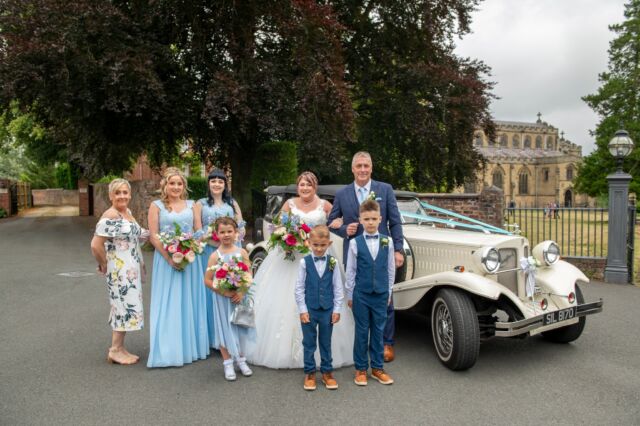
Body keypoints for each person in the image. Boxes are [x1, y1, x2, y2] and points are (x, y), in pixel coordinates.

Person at [245, 171, 355, 369]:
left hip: (319, 254)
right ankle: (285, 349)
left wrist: (339, 223)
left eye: (309, 185)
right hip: (292, 256)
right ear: (298, 187)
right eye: (302, 185)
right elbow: (278, 228)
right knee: (286, 298)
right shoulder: (289, 205)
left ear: (315, 187)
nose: (305, 188)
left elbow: (337, 223)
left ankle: (323, 352)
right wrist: (289, 238)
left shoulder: (325, 205)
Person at [327, 151, 403, 362]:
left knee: (385, 297)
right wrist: (344, 230)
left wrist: (397, 249)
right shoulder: (342, 194)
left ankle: (386, 344)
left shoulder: (384, 189)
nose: (362, 170)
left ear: (371, 168)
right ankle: (362, 341)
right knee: (358, 298)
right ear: (352, 169)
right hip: (355, 253)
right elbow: (331, 222)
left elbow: (395, 222)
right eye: (358, 166)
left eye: (366, 166)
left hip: (381, 251)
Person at [147, 167, 209, 367]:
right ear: (165, 185)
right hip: (166, 261)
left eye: (179, 183)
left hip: (191, 260)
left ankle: (191, 347)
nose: (175, 187)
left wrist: (195, 246)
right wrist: (170, 258)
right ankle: (168, 349)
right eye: (172, 183)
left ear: (184, 186)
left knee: (189, 301)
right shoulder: (156, 206)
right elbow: (153, 235)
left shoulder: (193, 205)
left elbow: (198, 231)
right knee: (170, 301)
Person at [91, 178, 148, 365]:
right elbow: (95, 244)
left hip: (130, 268)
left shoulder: (127, 212)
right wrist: (104, 264)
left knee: (123, 305)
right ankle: (115, 350)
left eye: (125, 192)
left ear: (130, 195)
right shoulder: (111, 215)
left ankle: (120, 347)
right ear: (110, 196)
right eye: (117, 193)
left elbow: (135, 235)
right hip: (120, 270)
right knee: (121, 306)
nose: (122, 196)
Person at [345, 200, 395, 386]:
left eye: (374, 218)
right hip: (361, 295)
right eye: (367, 219)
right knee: (361, 331)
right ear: (361, 220)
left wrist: (389, 292)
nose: (371, 222)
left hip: (381, 294)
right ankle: (360, 369)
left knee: (378, 331)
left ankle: (377, 368)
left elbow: (390, 270)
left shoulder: (387, 241)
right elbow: (351, 271)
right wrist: (350, 294)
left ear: (380, 219)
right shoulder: (355, 243)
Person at [195, 169, 245, 348]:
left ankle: (233, 336)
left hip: (231, 252)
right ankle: (213, 339)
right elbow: (198, 230)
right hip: (209, 254)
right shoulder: (200, 204)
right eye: (213, 180)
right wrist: (212, 239)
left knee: (231, 290)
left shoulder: (232, 203)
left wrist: (231, 240)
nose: (217, 184)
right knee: (211, 293)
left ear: (225, 185)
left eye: (220, 181)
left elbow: (241, 228)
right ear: (208, 184)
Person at [203, 217, 255, 381]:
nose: (226, 235)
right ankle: (227, 362)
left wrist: (242, 291)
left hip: (239, 297)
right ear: (217, 234)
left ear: (236, 233)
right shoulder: (214, 256)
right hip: (222, 299)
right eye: (222, 232)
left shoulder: (242, 252)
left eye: (229, 231)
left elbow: (248, 274)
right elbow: (207, 280)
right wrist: (222, 291)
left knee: (239, 327)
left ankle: (241, 360)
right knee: (224, 328)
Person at [295, 225, 343, 391]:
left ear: (329, 244)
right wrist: (302, 310)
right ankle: (309, 372)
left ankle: (327, 372)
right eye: (315, 245)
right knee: (309, 342)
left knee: (325, 341)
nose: (319, 248)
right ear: (309, 243)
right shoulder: (304, 262)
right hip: (310, 309)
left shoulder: (332, 262)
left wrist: (337, 309)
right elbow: (299, 288)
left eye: (322, 245)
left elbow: (338, 287)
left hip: (327, 309)